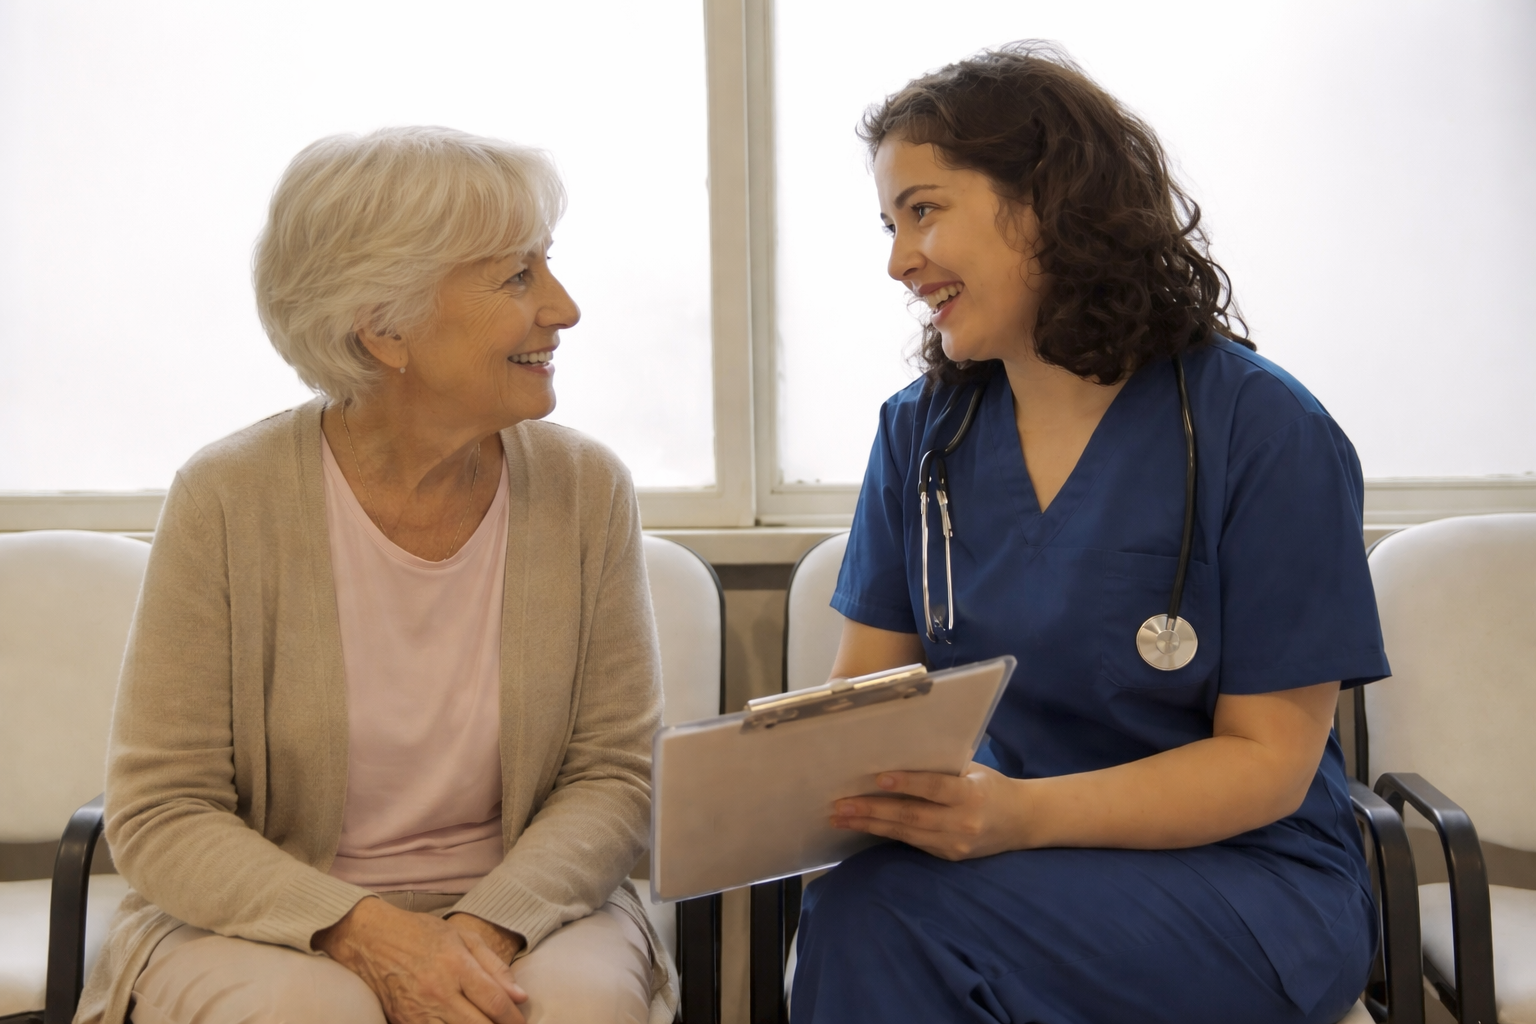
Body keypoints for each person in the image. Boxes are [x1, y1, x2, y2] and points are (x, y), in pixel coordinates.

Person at [792, 45, 1389, 1024]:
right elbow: (867, 700)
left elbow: (1269, 762)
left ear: (1045, 202)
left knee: (883, 922)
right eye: (891, 222)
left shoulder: (1263, 430)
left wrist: (1021, 816)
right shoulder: (923, 433)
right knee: (864, 907)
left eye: (925, 210)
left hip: (1244, 881)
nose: (898, 260)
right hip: (992, 863)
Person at [79, 127, 674, 1024]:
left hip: (529, 906)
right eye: (518, 277)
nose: (564, 308)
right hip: (272, 917)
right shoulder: (228, 496)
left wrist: (484, 930)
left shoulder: (588, 490)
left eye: (545, 266)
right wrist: (363, 931)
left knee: (575, 1009)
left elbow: (614, 776)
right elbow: (164, 811)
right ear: (384, 326)